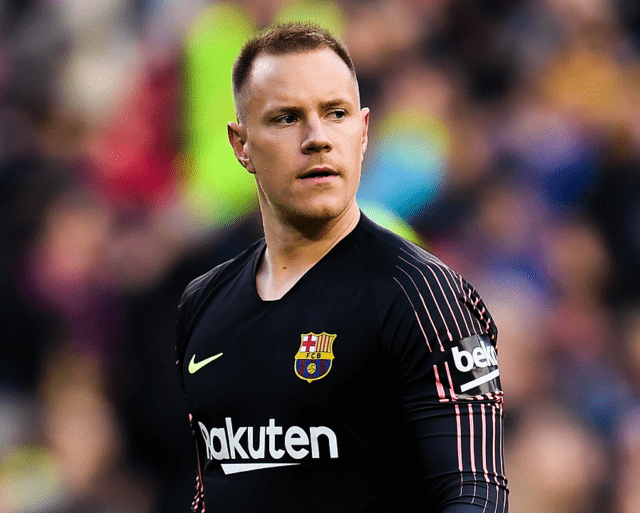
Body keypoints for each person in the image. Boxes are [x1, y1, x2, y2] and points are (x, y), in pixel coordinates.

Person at [174, 22, 508, 512]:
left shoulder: (426, 295)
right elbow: (214, 489)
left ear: (364, 131)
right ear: (241, 145)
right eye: (287, 118)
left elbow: (476, 491)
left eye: (336, 114)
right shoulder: (201, 305)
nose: (318, 138)